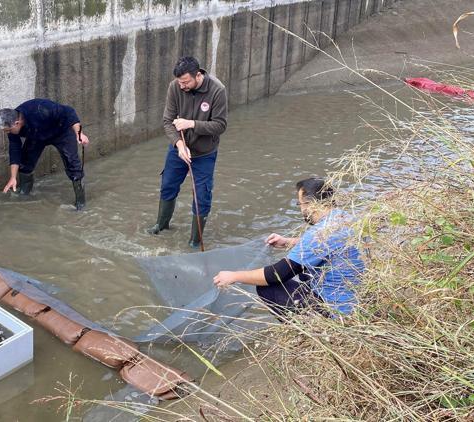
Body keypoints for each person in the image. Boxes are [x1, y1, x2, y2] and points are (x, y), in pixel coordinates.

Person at [212, 178, 365, 316]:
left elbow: (277, 274)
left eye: (300, 204)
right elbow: (326, 246)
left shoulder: (318, 233)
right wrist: (288, 242)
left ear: (310, 204)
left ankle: (313, 327)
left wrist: (234, 276)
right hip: (356, 300)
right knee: (306, 272)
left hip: (337, 310)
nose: (301, 209)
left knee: (268, 288)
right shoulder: (345, 218)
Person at [148, 56, 228, 248]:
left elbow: (220, 125)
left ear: (198, 75)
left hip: (204, 153)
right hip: (179, 148)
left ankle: (195, 240)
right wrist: (178, 145)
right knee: (168, 185)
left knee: (201, 195)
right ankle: (162, 224)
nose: (182, 86)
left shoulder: (217, 90)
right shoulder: (175, 87)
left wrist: (191, 124)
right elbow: (168, 121)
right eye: (180, 82)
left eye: (186, 82)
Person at [0, 99, 90, 210]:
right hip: (37, 136)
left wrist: (79, 134)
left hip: (61, 132)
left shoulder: (40, 109)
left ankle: (81, 204)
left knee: (73, 165)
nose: (7, 133)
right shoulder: (13, 127)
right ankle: (24, 195)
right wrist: (13, 177)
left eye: (8, 130)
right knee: (25, 164)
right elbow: (15, 150)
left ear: (17, 123)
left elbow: (69, 112)